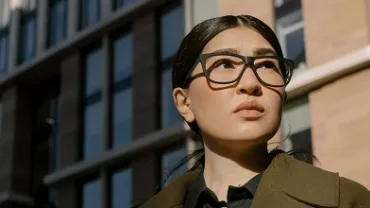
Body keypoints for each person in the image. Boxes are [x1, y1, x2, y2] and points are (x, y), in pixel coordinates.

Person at [140, 15, 370, 208]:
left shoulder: (349, 201)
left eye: (267, 65)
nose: (250, 83)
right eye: (225, 64)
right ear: (184, 102)